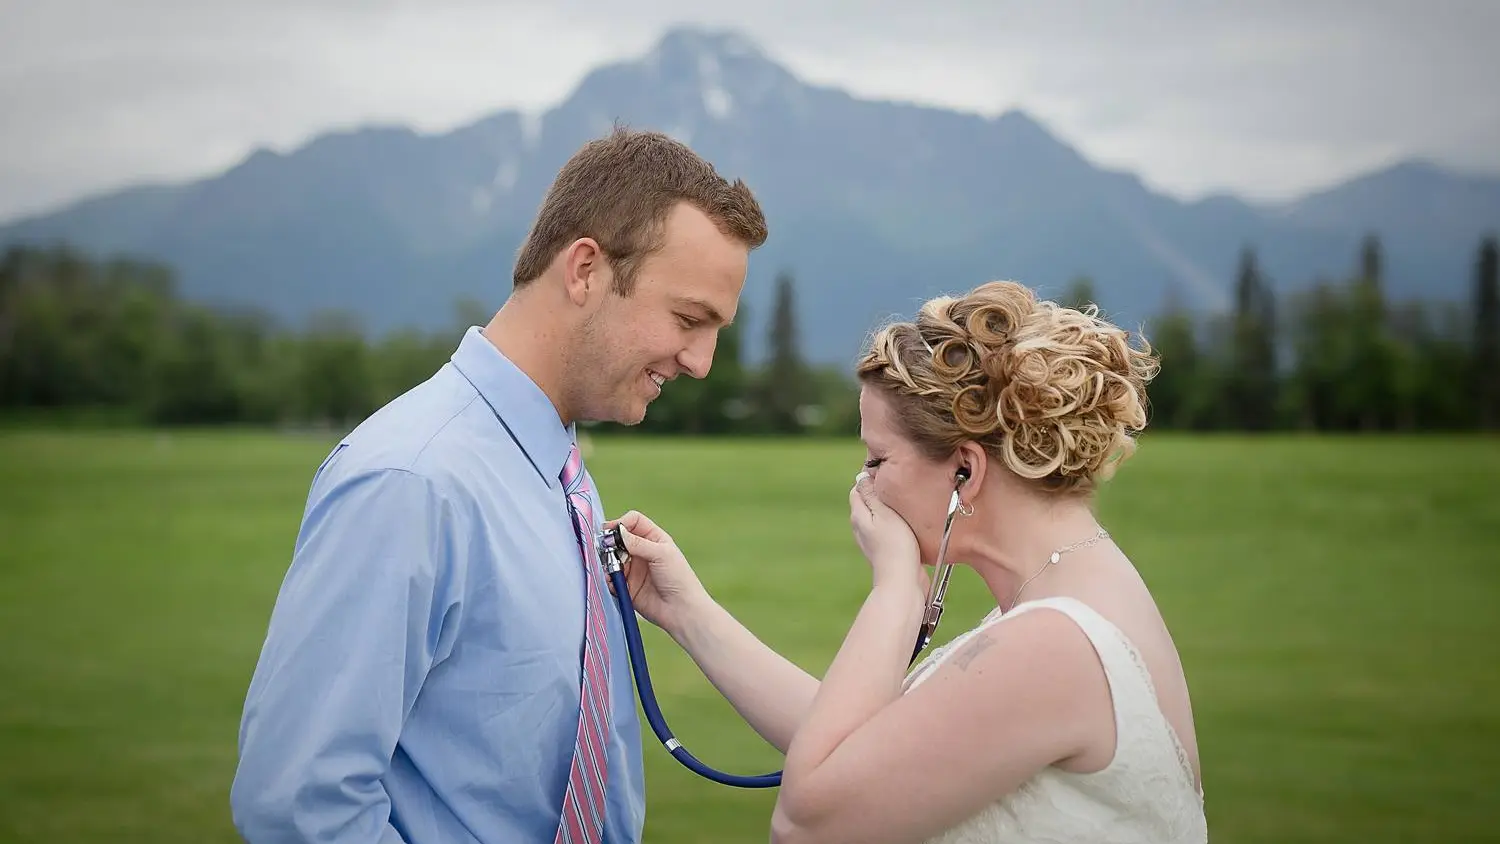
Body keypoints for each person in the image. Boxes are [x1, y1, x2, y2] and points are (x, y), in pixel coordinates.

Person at [229, 127, 768, 844]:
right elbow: (299, 804)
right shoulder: (412, 481)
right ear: (584, 271)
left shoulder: (556, 472)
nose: (702, 361)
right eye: (688, 319)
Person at [610, 280, 1208, 843]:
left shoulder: (1056, 643)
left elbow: (808, 823)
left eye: (877, 461)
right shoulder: (1069, 598)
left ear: (965, 471)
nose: (862, 487)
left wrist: (896, 591)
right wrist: (687, 612)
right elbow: (863, 751)